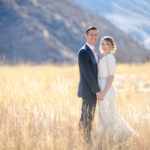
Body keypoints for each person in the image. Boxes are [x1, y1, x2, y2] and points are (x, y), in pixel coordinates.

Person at [97, 36, 137, 142]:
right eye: (102, 44)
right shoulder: (104, 57)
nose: (104, 46)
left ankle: (121, 136)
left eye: (107, 44)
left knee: (108, 114)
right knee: (106, 114)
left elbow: (111, 76)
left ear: (111, 46)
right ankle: (113, 137)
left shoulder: (110, 58)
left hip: (106, 89)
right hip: (102, 87)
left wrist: (103, 93)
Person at [77, 27, 101, 142]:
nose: (94, 37)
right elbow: (88, 74)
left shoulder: (93, 51)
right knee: (86, 118)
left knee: (89, 118)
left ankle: (87, 141)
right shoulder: (84, 51)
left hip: (92, 90)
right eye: (91, 35)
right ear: (86, 36)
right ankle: (83, 142)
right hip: (88, 91)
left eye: (96, 35)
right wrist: (97, 90)